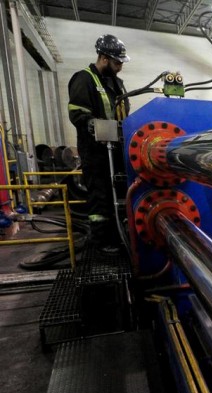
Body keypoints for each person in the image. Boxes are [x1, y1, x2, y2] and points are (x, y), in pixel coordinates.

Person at [67, 34, 131, 253]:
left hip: (117, 149)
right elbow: (77, 113)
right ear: (103, 58)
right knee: (100, 197)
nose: (120, 66)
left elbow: (124, 114)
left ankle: (120, 236)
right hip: (95, 152)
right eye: (117, 62)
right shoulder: (84, 79)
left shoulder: (117, 83)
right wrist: (94, 125)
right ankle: (100, 243)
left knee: (121, 194)